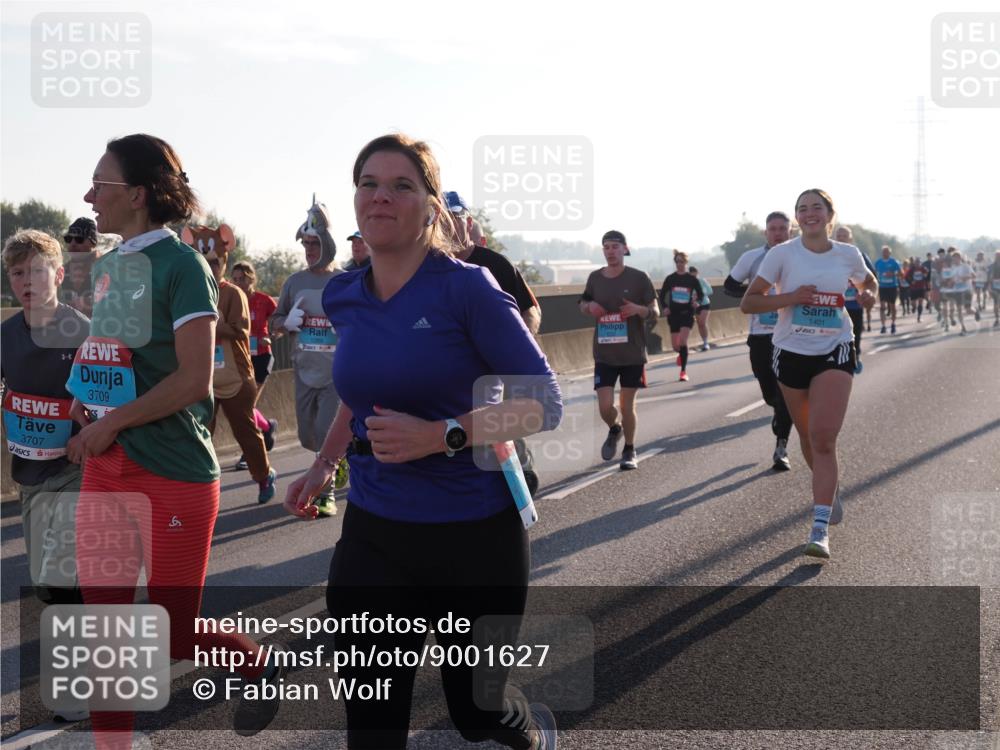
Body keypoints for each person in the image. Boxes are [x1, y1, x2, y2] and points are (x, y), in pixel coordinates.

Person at [283, 133, 562, 750]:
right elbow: (362, 389)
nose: (380, 196)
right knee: (372, 728)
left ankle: (531, 730)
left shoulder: (468, 289)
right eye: (369, 184)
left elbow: (545, 403)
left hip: (476, 534)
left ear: (432, 207)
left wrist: (442, 435)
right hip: (375, 534)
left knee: (478, 714)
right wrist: (324, 463)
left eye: (401, 186)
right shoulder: (344, 293)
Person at [65, 134, 286, 748]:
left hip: (174, 474)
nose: (88, 197)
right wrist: (83, 398)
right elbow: (109, 354)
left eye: (100, 184)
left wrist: (112, 422)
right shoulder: (107, 267)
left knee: (173, 635)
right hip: (106, 470)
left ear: (137, 194)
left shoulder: (183, 266)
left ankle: (255, 663)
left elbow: (193, 380)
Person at [741, 188, 878, 560]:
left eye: (817, 207)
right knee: (806, 436)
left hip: (835, 347)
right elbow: (749, 302)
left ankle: (819, 529)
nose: (809, 213)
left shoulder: (847, 254)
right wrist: (791, 297)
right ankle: (828, 489)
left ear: (830, 215)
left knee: (823, 438)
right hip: (790, 351)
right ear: (797, 218)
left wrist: (868, 295)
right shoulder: (782, 254)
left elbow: (868, 283)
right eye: (802, 209)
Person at [2, 231, 90, 609]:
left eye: (38, 271)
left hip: (76, 470)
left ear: (59, 275)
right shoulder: (5, 335)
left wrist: (87, 434)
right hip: (29, 474)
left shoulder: (83, 332)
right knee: (46, 586)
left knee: (61, 574)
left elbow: (110, 399)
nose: (27, 281)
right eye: (18, 273)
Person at [444, 189, 543, 492]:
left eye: (455, 217)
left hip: (497, 367)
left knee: (499, 424)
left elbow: (531, 310)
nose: (449, 225)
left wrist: (516, 346)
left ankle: (520, 475)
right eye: (443, 219)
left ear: (467, 221)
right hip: (455, 370)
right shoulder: (427, 268)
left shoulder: (495, 264)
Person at [181, 224, 277, 502]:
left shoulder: (233, 293)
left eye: (214, 262)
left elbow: (240, 330)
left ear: (223, 260)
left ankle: (263, 475)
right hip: (202, 379)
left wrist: (210, 323)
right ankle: (199, 489)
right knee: (199, 435)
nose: (209, 267)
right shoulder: (190, 292)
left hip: (235, 376)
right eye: (203, 262)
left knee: (245, 432)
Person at [270, 198, 342, 516]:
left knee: (326, 431)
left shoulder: (343, 282)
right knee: (307, 436)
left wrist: (346, 326)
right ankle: (340, 458)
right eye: (306, 244)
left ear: (327, 244)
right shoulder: (294, 282)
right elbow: (273, 323)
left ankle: (326, 493)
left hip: (336, 373)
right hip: (303, 370)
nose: (309, 250)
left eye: (315, 243)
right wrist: (285, 323)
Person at [581, 230, 658, 470]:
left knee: (626, 405)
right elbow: (582, 303)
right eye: (607, 247)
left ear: (625, 249)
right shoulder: (595, 278)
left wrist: (638, 309)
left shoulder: (639, 278)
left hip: (632, 353)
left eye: (615, 247)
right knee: (605, 407)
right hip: (604, 354)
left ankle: (629, 449)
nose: (611, 251)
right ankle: (615, 429)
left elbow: (655, 311)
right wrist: (590, 306)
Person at [724, 211, 795, 470]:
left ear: (790, 231)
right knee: (770, 393)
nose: (778, 233)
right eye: (773, 229)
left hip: (792, 336)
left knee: (786, 393)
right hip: (761, 336)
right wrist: (758, 293)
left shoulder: (801, 256)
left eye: (783, 229)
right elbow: (729, 286)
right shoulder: (752, 257)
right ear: (766, 233)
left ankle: (781, 446)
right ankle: (778, 410)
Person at [230, 260, 279, 469]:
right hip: (240, 359)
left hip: (261, 358)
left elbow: (279, 322)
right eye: (235, 279)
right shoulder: (232, 300)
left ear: (251, 279)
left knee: (246, 407)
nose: (238, 283)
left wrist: (272, 335)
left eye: (242, 279)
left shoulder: (263, 300)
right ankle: (267, 427)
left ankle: (248, 453)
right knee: (243, 407)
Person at [833, 226, 875, 374]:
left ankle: (855, 354)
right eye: (838, 236)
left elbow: (871, 277)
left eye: (844, 236)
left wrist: (866, 291)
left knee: (855, 330)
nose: (841, 238)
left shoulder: (858, 256)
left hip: (855, 303)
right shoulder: (828, 255)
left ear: (850, 239)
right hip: (836, 305)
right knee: (835, 333)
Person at [659, 250, 702, 382]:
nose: (679, 264)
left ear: (686, 263)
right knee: (676, 346)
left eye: (682, 262)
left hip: (687, 313)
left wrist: (697, 302)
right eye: (677, 261)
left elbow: (701, 295)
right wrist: (665, 307)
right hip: (673, 315)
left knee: (683, 341)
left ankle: (683, 371)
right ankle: (682, 354)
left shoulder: (692, 279)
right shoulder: (670, 279)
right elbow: (661, 295)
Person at [875, 245, 901, 334]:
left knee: (892, 306)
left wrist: (893, 274)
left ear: (890, 253)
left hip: (892, 287)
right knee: (882, 307)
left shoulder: (894, 262)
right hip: (882, 287)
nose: (885, 253)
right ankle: (883, 326)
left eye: (886, 252)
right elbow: (874, 274)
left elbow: (901, 274)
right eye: (883, 252)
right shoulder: (878, 262)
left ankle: (893, 324)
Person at [689, 265, 713, 351]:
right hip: (695, 305)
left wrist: (700, 294)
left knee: (702, 323)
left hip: (704, 303)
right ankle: (704, 341)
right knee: (699, 324)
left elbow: (710, 291)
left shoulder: (702, 281)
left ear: (697, 273)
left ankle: (706, 343)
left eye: (695, 275)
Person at [906, 255, 928, 323]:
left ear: (920, 263)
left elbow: (927, 275)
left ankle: (919, 317)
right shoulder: (911, 269)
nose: (917, 263)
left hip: (921, 287)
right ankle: (913, 307)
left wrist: (925, 275)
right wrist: (911, 281)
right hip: (913, 288)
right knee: (913, 303)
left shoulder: (923, 269)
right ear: (914, 263)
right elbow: (906, 277)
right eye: (916, 262)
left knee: (920, 302)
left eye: (919, 262)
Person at [987, 250, 1000, 328]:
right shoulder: (991, 266)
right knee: (996, 303)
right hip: (995, 286)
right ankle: (997, 319)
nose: (998, 257)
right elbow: (989, 277)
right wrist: (989, 287)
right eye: (997, 256)